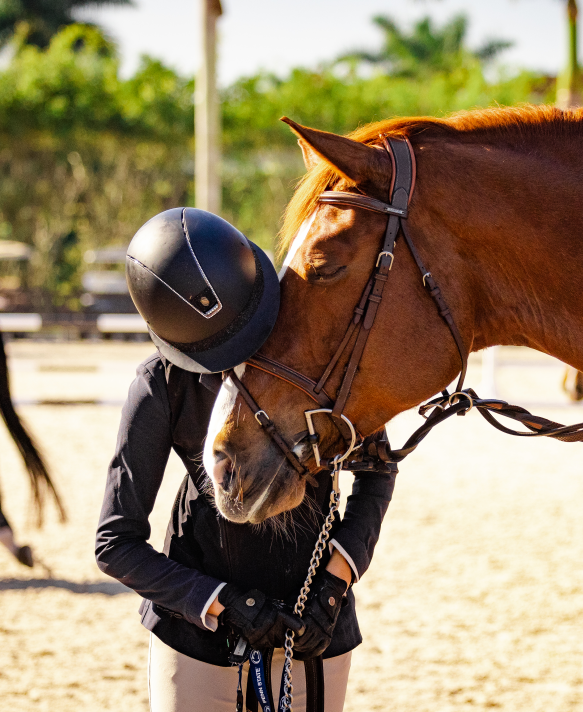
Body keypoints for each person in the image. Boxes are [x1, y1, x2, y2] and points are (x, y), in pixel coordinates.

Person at [95, 207, 396, 712]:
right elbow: (115, 542)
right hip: (196, 636)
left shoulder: (318, 355)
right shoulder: (160, 386)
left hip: (316, 625)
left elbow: (376, 469)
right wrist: (219, 601)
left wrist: (335, 583)